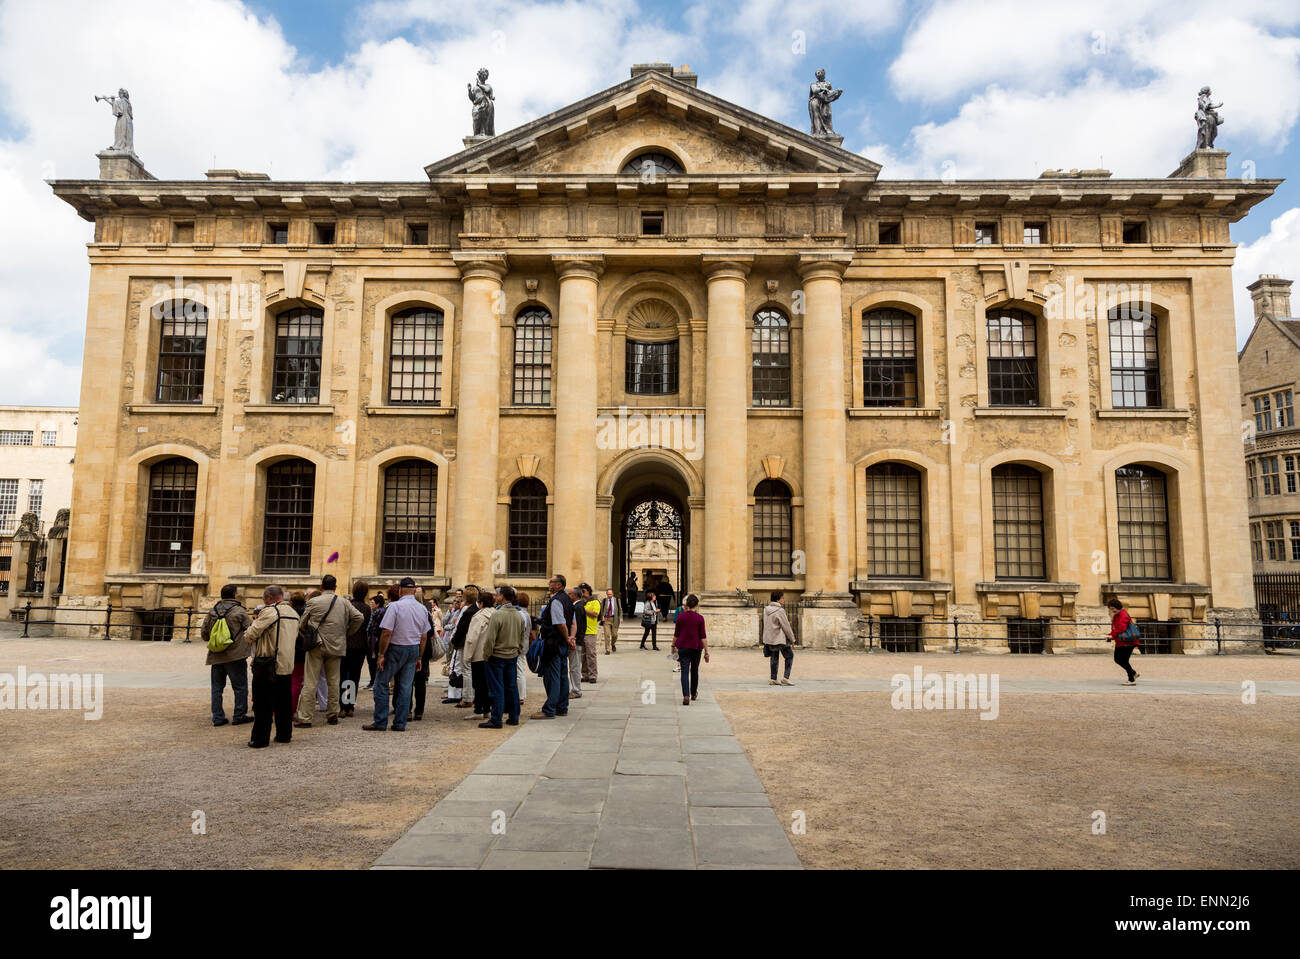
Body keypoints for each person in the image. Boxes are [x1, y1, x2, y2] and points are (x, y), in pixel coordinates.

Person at [295, 575, 362, 728]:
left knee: (311, 682)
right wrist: (347, 632)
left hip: (317, 645)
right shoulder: (344, 602)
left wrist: (308, 633)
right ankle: (333, 714)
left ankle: (305, 717)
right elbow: (359, 617)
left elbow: (302, 623)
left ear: (321, 587)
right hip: (336, 645)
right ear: (335, 587)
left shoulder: (313, 601)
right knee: (333, 681)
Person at [363, 577, 429, 731]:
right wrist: (419, 656)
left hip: (395, 648)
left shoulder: (395, 607)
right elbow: (424, 636)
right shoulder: (422, 609)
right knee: (405, 687)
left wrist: (381, 654)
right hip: (413, 648)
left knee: (381, 683)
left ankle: (380, 721)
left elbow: (387, 632)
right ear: (413, 591)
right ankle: (400, 723)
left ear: (400, 590)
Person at [244, 585, 300, 748]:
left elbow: (250, 634)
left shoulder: (270, 612)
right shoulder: (293, 613)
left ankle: (260, 739)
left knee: (263, 704)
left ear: (269, 597)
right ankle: (284, 734)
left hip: (268, 663)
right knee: (283, 702)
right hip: (286, 663)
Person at [201, 584, 254, 727]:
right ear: (235, 595)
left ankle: (217, 717)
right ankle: (239, 715)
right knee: (240, 687)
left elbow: (204, 634)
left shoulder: (213, 611)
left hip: (216, 655)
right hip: (235, 655)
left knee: (217, 688)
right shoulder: (239, 612)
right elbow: (251, 631)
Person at [479, 585, 525, 728]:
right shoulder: (519, 615)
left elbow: (490, 639)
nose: (495, 597)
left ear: (502, 597)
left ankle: (496, 719)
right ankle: (514, 716)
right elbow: (522, 638)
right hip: (512, 655)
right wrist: (518, 651)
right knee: (512, 687)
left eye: (497, 595)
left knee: (497, 688)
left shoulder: (497, 615)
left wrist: (486, 655)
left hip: (497, 656)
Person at [533, 573, 574, 719]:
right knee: (563, 676)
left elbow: (560, 624)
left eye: (551, 582)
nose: (549, 584)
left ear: (558, 585)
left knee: (553, 676)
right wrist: (571, 638)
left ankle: (549, 709)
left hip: (554, 643)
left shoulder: (556, 601)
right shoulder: (568, 600)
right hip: (562, 643)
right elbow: (573, 623)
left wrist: (567, 638)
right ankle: (562, 707)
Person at [410, 587, 443, 721]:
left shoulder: (409, 611)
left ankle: (407, 710)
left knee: (407, 681)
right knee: (420, 682)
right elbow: (429, 632)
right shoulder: (425, 612)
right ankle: (419, 711)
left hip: (411, 647)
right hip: (423, 650)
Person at [448, 586, 482, 709]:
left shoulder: (468, 611)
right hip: (473, 643)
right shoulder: (476, 609)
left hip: (465, 643)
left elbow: (460, 628)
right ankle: (470, 695)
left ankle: (467, 698)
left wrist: (454, 641)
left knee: (466, 670)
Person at [463, 591, 495, 720]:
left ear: (480, 603)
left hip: (478, 654)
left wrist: (468, 655)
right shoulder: (496, 614)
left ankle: (479, 709)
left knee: (478, 684)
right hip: (492, 654)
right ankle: (488, 708)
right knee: (488, 683)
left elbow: (472, 638)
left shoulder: (478, 617)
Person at [341, 580, 371, 717]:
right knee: (354, 676)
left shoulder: (348, 606)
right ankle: (350, 705)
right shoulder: (367, 608)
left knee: (343, 675)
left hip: (346, 644)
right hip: (360, 646)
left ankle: (342, 706)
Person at [672, 594, 708, 705]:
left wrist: (673, 646)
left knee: (684, 671)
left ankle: (686, 695)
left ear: (686, 604)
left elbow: (676, 634)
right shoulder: (700, 618)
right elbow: (703, 636)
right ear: (697, 605)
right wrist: (706, 651)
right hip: (696, 647)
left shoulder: (680, 617)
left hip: (682, 646)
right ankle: (693, 694)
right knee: (694, 670)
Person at [762, 589, 796, 686]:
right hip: (780, 639)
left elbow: (766, 624)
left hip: (770, 639)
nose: (784, 599)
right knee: (789, 656)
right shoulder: (780, 610)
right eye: (782, 598)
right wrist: (792, 639)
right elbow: (786, 626)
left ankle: (773, 679)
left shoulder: (766, 609)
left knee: (774, 658)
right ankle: (786, 677)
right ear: (778, 599)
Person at [1106, 597, 1141, 686]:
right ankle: (1132, 673)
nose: (1112, 611)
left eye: (1113, 608)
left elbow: (1121, 628)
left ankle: (1131, 679)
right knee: (1119, 659)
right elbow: (1116, 628)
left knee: (1122, 660)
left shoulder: (1123, 615)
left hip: (1128, 642)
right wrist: (1110, 635)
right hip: (1121, 641)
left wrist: (1112, 635)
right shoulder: (1118, 615)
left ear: (1117, 607)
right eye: (1111, 609)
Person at [288, 590, 309, 708]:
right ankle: (292, 708)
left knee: (285, 680)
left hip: (288, 649)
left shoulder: (288, 613)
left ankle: (281, 709)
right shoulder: (307, 613)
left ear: (291, 602)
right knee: (297, 681)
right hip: (302, 650)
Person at [365, 592, 386, 689]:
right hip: (373, 640)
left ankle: (375, 682)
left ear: (377, 604)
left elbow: (376, 628)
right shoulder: (376, 612)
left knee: (374, 662)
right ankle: (373, 681)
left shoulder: (379, 613)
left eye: (372, 603)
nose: (371, 604)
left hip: (375, 641)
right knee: (372, 662)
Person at [565, 587, 584, 698]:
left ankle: (576, 690)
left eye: (570, 593)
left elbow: (578, 626)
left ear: (575, 595)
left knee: (574, 667)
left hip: (575, 641)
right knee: (574, 666)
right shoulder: (578, 606)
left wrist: (573, 639)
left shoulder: (577, 607)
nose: (568, 595)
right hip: (576, 640)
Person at [579, 583, 600, 683]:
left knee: (591, 654)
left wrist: (583, 609)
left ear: (588, 591)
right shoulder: (580, 602)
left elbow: (595, 614)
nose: (582, 594)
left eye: (584, 591)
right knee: (583, 655)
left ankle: (593, 675)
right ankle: (585, 674)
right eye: (581, 592)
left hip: (590, 632)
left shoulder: (594, 601)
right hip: (581, 631)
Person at [514, 590, 532, 701]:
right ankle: (520, 694)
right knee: (520, 669)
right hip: (523, 644)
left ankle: (520, 695)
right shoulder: (526, 614)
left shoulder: (520, 614)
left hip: (519, 646)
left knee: (519, 670)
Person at [599, 587, 619, 655]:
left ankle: (613, 644)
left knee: (615, 635)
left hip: (614, 619)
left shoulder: (617, 600)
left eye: (610, 594)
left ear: (613, 594)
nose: (609, 596)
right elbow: (601, 610)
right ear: (606, 594)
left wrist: (621, 617)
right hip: (606, 619)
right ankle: (607, 649)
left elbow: (620, 609)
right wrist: (602, 617)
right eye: (608, 594)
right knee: (607, 635)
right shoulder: (604, 601)